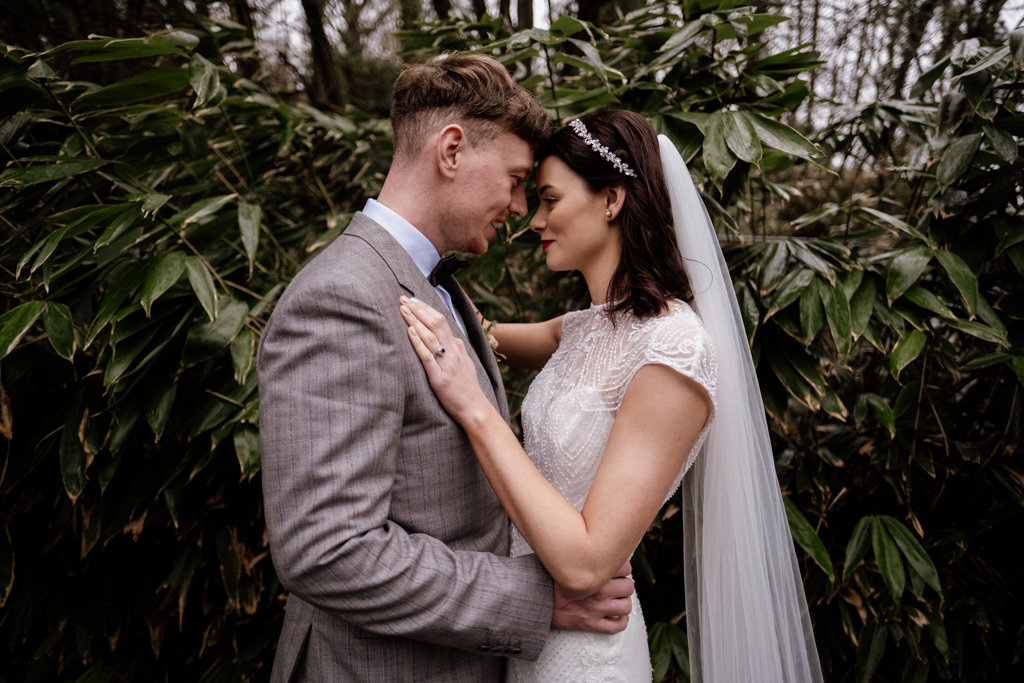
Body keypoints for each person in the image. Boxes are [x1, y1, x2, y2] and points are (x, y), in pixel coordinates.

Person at [400, 110, 825, 682]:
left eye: (550, 200)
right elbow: (478, 331)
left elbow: (586, 560)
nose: (535, 221)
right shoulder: (581, 328)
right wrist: (409, 272)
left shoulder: (673, 350)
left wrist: (474, 407)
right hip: (520, 631)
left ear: (611, 199)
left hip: (584, 651)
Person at [257, 55, 635, 682]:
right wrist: (536, 599)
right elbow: (328, 551)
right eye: (516, 179)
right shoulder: (342, 298)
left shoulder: (434, 288)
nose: (520, 207)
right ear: (452, 150)